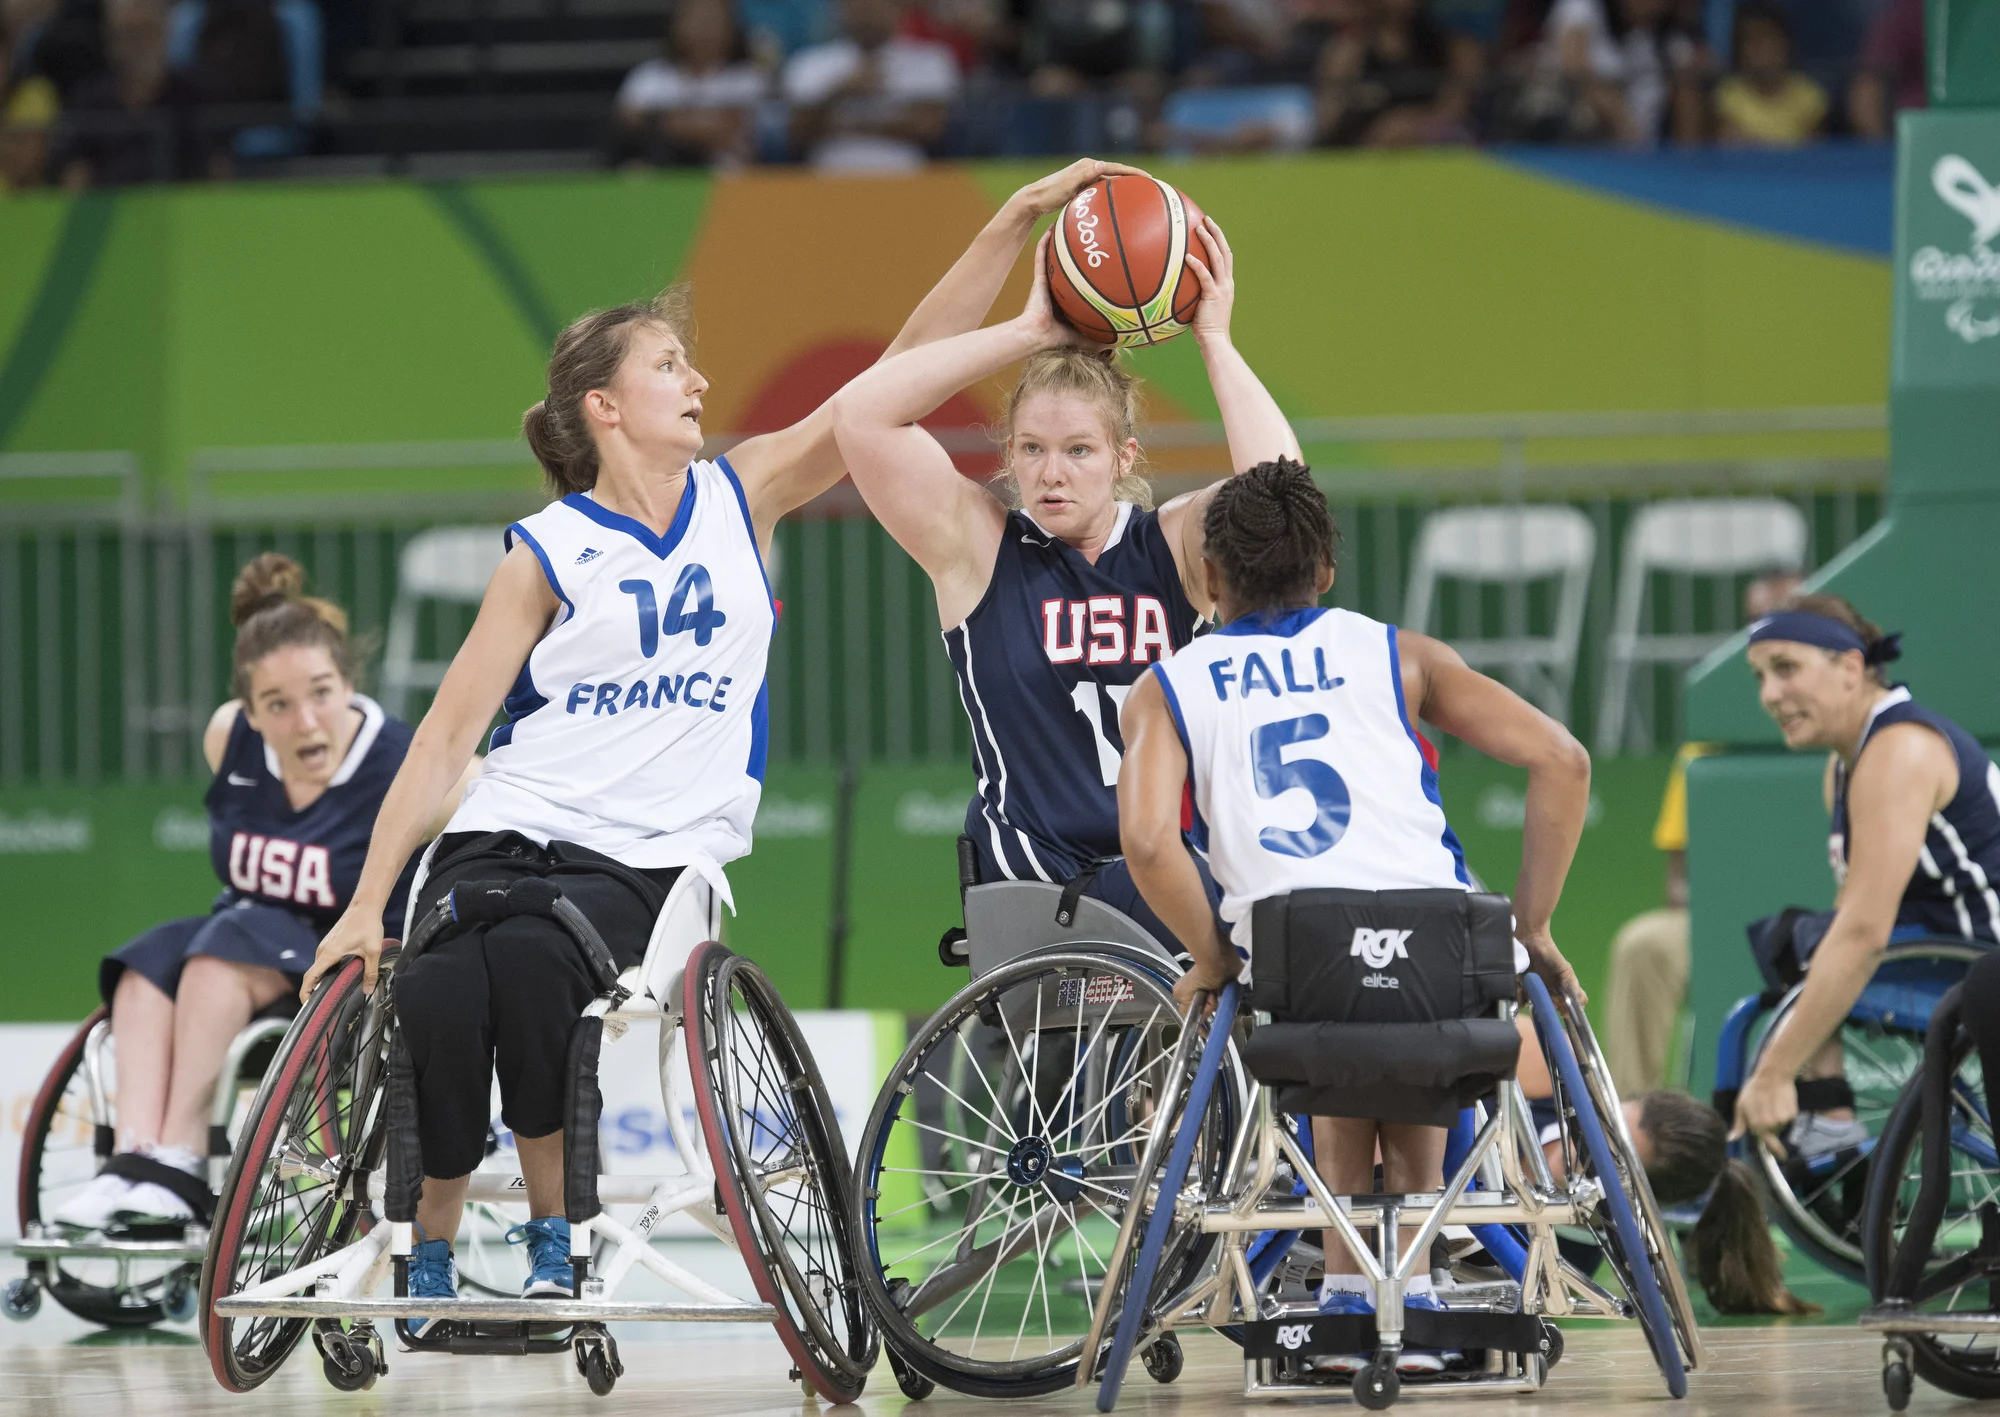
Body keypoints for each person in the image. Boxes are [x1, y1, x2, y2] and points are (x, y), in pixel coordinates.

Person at [295, 158, 1139, 1332]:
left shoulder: (743, 493)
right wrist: (364, 903)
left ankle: (553, 1238)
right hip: (509, 819)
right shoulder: (546, 548)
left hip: (647, 850)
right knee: (436, 982)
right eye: (668, 366)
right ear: (604, 407)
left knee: (534, 972)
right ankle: (425, 1244)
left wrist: (1006, 239)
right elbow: (443, 739)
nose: (697, 380)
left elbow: (884, 383)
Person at [1117, 458, 1591, 1374]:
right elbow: (1563, 759)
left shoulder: (1168, 685)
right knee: (1404, 1004)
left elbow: (1144, 840)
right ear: (1326, 570)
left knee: (1328, 1008)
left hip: (1297, 957)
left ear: (1207, 578)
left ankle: (1344, 1287)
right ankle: (1413, 1290)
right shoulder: (1400, 653)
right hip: (1444, 945)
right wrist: (1532, 926)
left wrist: (1211, 955)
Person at [830, 193, 1292, 954]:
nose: (1052, 473)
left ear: (1122, 457)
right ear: (1008, 455)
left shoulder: (1172, 546)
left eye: (1078, 450)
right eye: (1032, 449)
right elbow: (859, 415)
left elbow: (1281, 494)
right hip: (1040, 885)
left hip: (1164, 868)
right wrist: (1029, 331)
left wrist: (1213, 338)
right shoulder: (980, 547)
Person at [52, 553, 469, 1232]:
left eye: (322, 693)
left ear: (349, 683)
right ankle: (132, 1165)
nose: (305, 721)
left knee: (218, 955)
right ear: (249, 710)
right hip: (245, 945)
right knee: (144, 964)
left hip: (345, 981)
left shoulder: (405, 763)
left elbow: (490, 788)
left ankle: (180, 1162)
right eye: (278, 704)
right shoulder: (231, 739)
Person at [1731, 594, 2000, 1160]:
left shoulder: (1899, 751)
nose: (1768, 695)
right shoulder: (1847, 763)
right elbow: (1850, 921)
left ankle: (1827, 1114)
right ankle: (1830, 1115)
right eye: (1759, 677)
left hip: (1980, 963)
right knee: (1795, 939)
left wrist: (1775, 1072)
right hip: (1949, 948)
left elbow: (1862, 934)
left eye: (1785, 668)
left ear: (1851, 667)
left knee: (1805, 942)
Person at [1600, 568, 1800, 1097]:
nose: (1764, 636)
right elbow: (1678, 882)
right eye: (1753, 623)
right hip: (1724, 924)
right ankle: (1632, 1121)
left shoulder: (1841, 731)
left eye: (1783, 620)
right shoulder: (1703, 747)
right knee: (1644, 943)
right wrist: (1731, 904)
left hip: (1826, 923)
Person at [1511, 1019, 1817, 1315]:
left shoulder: (1557, 1272)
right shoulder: (1549, 1060)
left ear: (1634, 1203)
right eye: (1601, 1124)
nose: (1582, 1147)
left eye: (1609, 1162)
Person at [781, 0, 958, 171]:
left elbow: (926, 129)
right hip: (825, 179)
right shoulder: (809, 62)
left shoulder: (930, 59)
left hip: (908, 179)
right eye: (859, 3)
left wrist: (841, 124)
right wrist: (841, 92)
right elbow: (798, 133)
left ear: (900, 7)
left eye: (877, 4)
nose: (868, 12)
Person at [614, 0, 765, 169]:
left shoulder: (748, 78)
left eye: (712, 20)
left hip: (729, 172)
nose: (703, 29)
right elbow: (630, 124)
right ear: (676, 23)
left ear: (731, 26)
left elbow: (732, 130)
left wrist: (668, 123)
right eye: (696, 18)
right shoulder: (648, 78)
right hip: (662, 168)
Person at [1711, 0, 1824, 148]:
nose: (1761, 48)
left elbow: (1816, 154)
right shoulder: (1727, 96)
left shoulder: (1808, 95)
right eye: (1751, 40)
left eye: (1767, 38)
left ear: (1785, 42)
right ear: (1739, 48)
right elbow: (1729, 148)